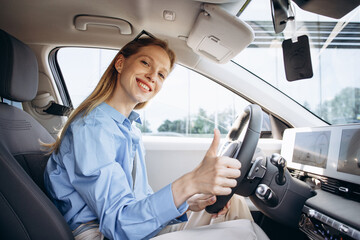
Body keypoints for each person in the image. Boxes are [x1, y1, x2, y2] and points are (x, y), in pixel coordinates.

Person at [44, 31, 254, 240]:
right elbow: (119, 224)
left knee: (234, 204)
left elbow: (137, 204)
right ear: (120, 64)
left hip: (129, 229)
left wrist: (188, 203)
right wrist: (191, 182)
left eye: (162, 74)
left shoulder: (130, 129)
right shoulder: (92, 128)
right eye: (146, 63)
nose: (153, 76)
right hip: (101, 233)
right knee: (244, 234)